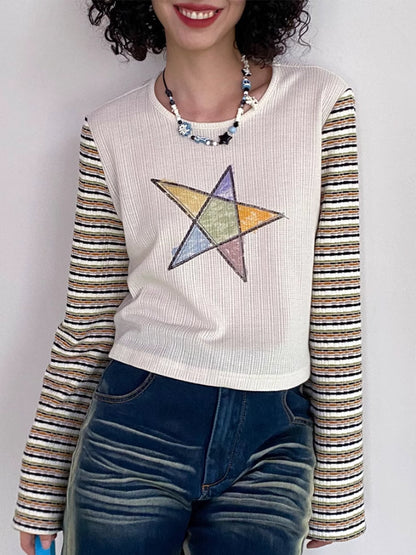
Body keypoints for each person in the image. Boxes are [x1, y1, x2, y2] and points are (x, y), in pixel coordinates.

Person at [14, 1, 366, 554]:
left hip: (273, 447)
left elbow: (336, 306)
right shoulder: (110, 132)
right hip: (132, 431)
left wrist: (339, 489)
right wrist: (40, 484)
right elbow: (88, 318)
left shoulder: (319, 105)